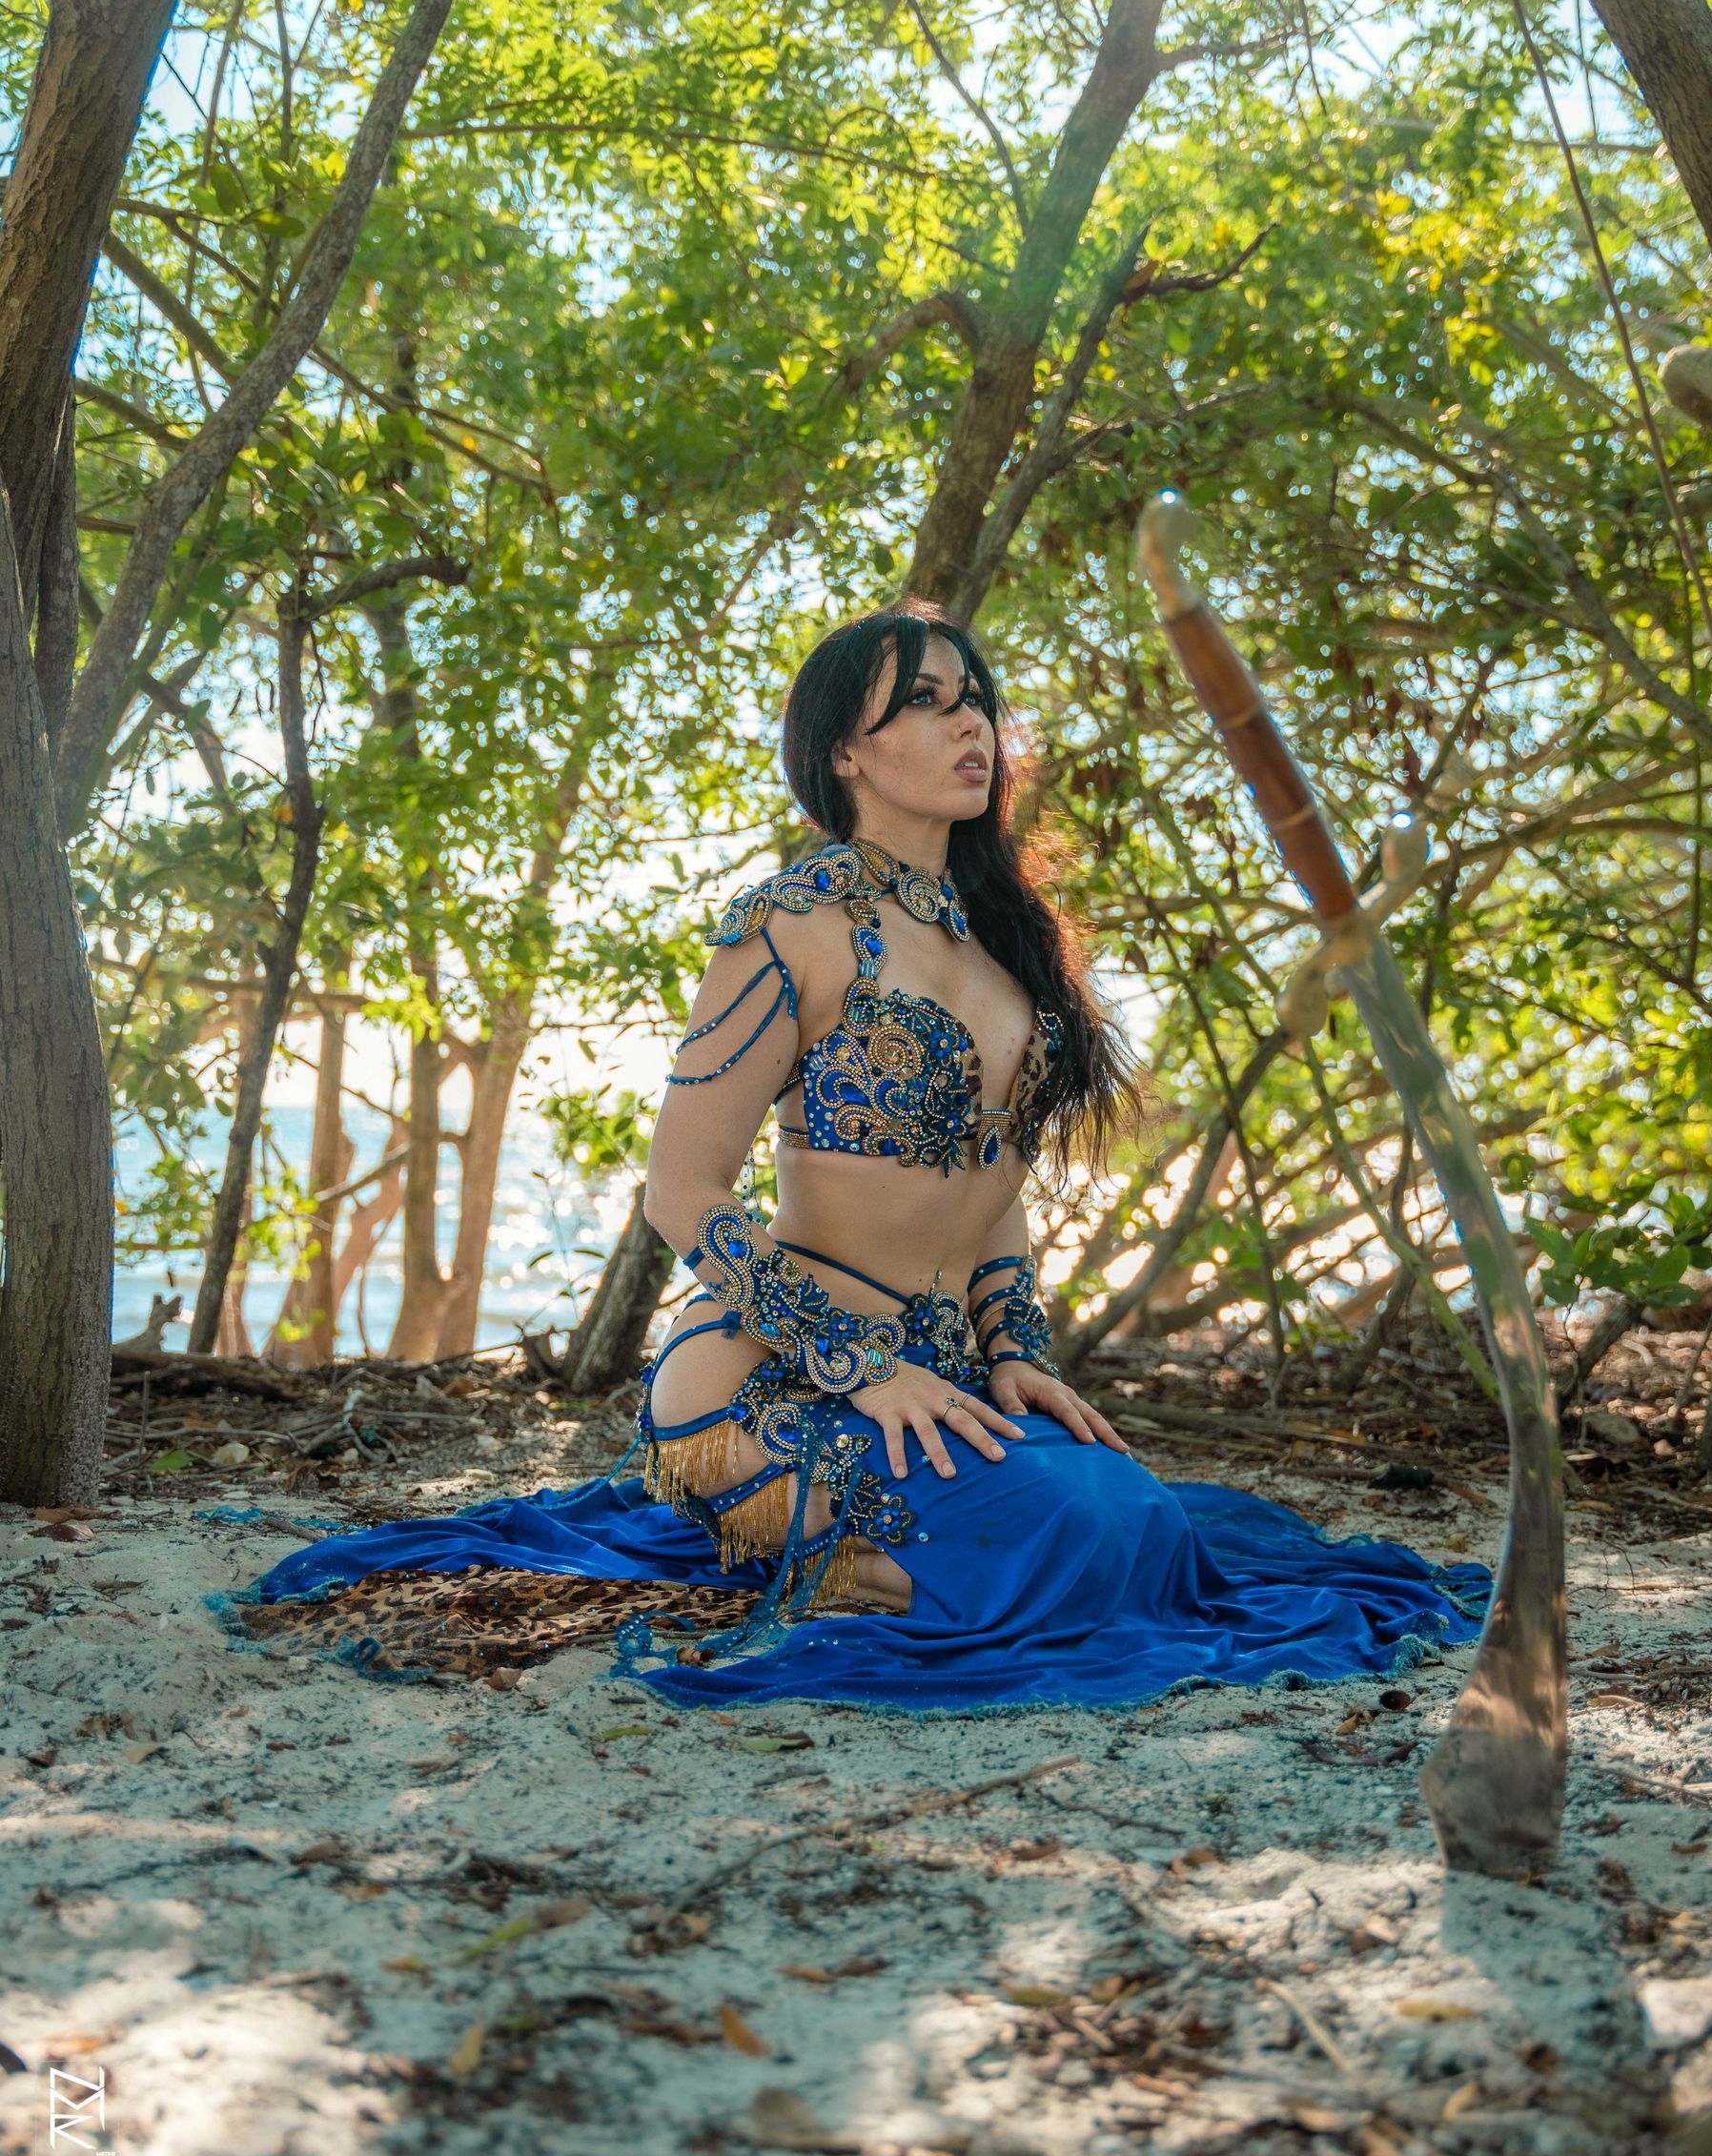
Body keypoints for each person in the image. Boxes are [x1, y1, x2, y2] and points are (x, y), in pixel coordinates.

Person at [215, 599, 1490, 1710]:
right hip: (763, 1382)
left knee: (1151, 1520)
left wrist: (1015, 1354)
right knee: (1090, 1536)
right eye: (925, 705)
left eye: (975, 700)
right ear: (843, 752)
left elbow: (995, 1192)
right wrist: (859, 1365)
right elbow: (681, 1190)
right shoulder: (794, 924)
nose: (969, 724)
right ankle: (821, 1551)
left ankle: (884, 1550)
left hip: (942, 1382)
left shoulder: (1011, 947)